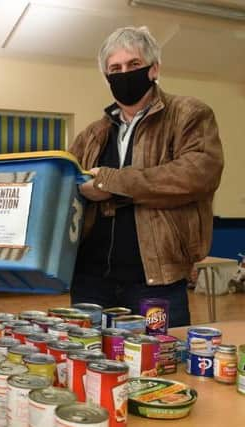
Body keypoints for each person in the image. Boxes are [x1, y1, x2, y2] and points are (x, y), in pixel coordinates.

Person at [69, 26, 223, 327]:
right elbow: (65, 184)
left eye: (133, 65)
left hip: (156, 280)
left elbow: (197, 174)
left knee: (162, 366)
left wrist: (112, 183)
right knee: (88, 366)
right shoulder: (91, 134)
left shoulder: (189, 114)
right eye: (115, 68)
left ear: (154, 69)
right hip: (91, 279)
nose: (123, 73)